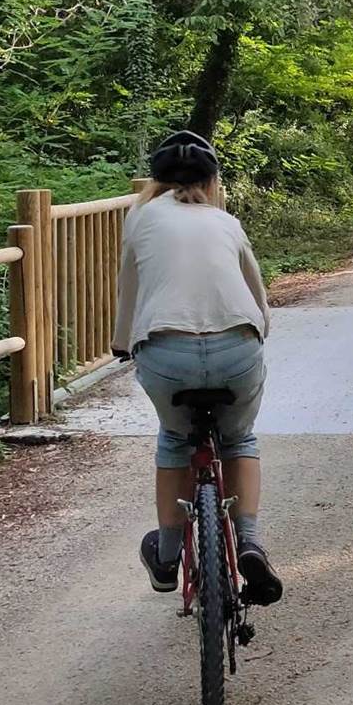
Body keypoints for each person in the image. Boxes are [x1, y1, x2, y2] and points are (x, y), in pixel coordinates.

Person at [112, 129, 283, 606]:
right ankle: (249, 544)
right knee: (239, 440)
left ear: (155, 181)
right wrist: (257, 331)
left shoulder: (141, 217)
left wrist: (122, 343)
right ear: (212, 181)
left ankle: (167, 558)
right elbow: (257, 295)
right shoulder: (225, 221)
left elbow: (129, 286)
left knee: (175, 439)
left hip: (167, 350)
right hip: (236, 347)